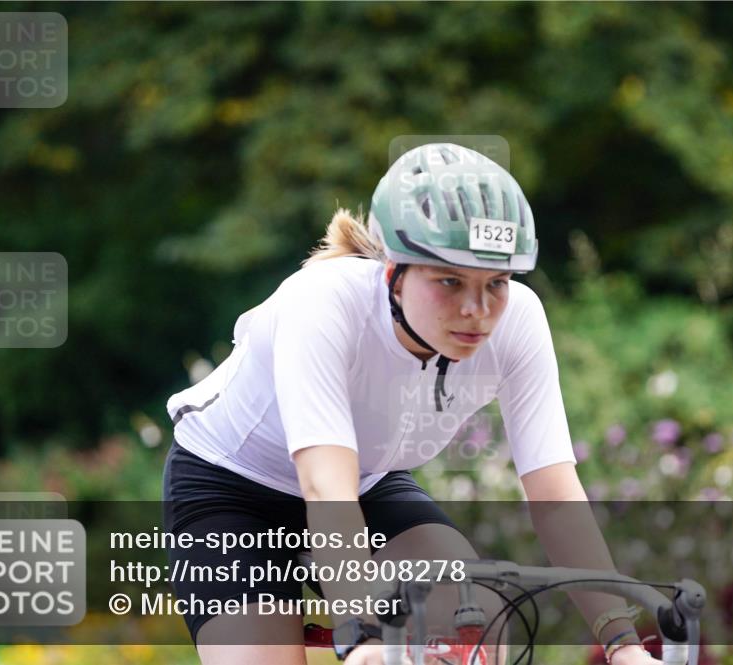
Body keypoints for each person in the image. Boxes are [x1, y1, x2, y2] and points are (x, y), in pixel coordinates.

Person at [162, 143, 658, 665]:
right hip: (231, 491)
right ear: (393, 270)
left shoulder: (520, 323)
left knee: (475, 612)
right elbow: (324, 488)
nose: (477, 311)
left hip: (368, 484)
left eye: (496, 283)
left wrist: (622, 644)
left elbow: (555, 496)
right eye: (449, 280)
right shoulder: (324, 302)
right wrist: (360, 634)